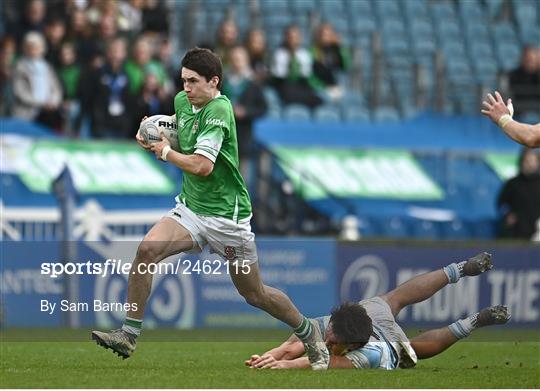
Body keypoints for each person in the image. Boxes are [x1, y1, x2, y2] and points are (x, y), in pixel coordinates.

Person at [91, 47, 329, 370]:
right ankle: (129, 333)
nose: (185, 88)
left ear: (214, 81)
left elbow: (202, 166)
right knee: (147, 250)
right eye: (183, 80)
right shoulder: (182, 101)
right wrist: (156, 133)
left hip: (227, 219)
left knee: (255, 294)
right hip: (191, 209)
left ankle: (308, 330)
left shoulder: (220, 110)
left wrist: (163, 153)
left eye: (193, 81)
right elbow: (180, 129)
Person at [245, 252, 510, 369]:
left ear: (351, 347)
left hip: (389, 342)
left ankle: (475, 321)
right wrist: (270, 356)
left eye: (334, 344)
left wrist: (283, 366)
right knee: (395, 297)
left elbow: (320, 362)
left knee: (411, 353)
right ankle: (461, 268)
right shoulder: (334, 325)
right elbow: (296, 345)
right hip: (370, 314)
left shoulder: (367, 355)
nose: (326, 342)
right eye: (329, 335)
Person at [496, 148, 540, 239]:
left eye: (532, 161)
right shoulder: (513, 183)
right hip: (517, 232)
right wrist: (507, 214)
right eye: (527, 161)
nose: (530, 164)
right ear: (521, 162)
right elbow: (501, 204)